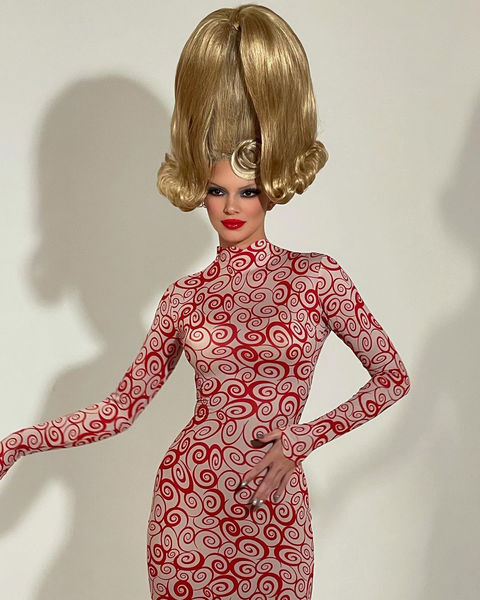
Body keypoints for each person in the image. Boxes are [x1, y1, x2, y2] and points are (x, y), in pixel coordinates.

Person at [0, 4, 411, 599]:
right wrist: (18, 442)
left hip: (275, 510)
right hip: (187, 507)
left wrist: (302, 440)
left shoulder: (317, 278)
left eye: (248, 190)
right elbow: (121, 408)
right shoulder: (186, 297)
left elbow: (392, 378)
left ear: (272, 188)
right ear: (200, 189)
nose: (231, 206)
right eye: (217, 190)